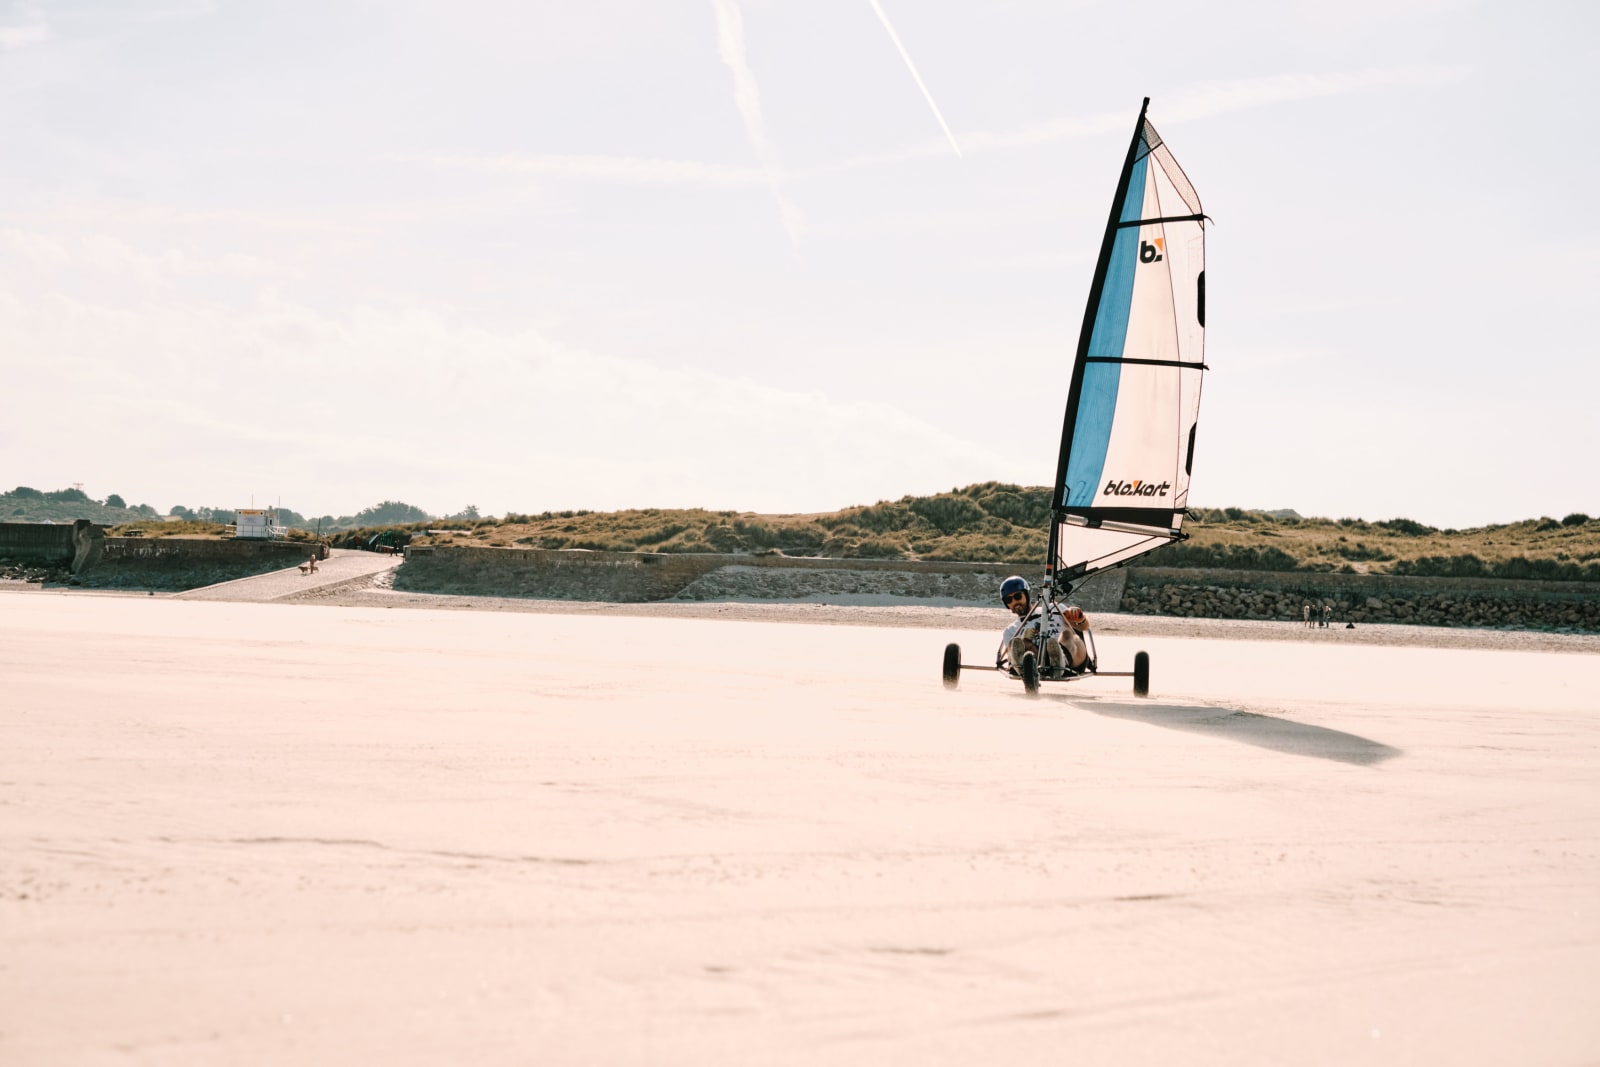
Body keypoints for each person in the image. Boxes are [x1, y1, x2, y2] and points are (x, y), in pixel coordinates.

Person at [997, 575, 1091, 677]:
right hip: (1037, 661)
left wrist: (1080, 619)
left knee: (1067, 633)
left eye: (1018, 596)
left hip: (1071, 658)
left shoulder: (1055, 608)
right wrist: (1025, 640)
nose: (1015, 602)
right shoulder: (1010, 630)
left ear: (1026, 595)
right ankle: (1022, 668)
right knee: (1017, 643)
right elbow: (1011, 654)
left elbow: (1083, 627)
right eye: (1008, 600)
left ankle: (1061, 662)